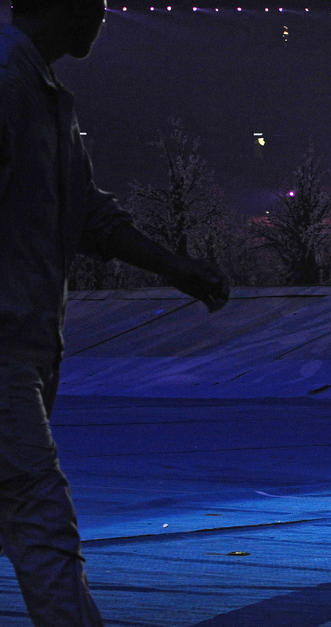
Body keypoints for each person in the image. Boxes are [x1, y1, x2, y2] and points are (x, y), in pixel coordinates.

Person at [0, 0, 231, 623]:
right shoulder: (9, 82)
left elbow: (88, 215)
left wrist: (175, 267)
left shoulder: (41, 93)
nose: (103, 16)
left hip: (28, 342)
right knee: (37, 507)